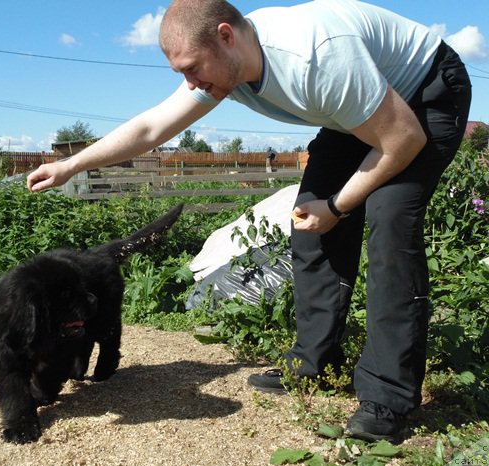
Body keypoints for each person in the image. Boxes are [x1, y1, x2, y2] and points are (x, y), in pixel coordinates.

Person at [27, 0, 472, 443]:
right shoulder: (224, 68)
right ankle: (314, 362)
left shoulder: (314, 58)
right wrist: (72, 165)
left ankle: (387, 398)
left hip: (423, 93)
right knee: (306, 224)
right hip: (357, 109)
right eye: (182, 73)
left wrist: (336, 207)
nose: (191, 82)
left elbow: (403, 139)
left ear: (226, 36)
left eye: (192, 68)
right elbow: (150, 129)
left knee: (389, 223)